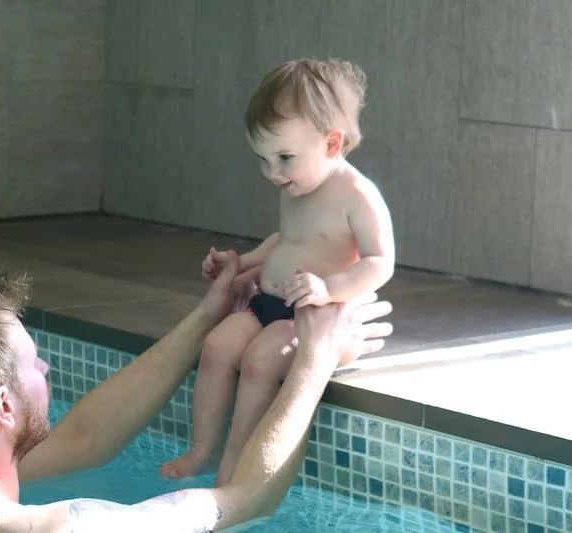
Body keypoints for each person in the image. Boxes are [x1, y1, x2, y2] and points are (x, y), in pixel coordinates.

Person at [0, 250, 393, 533]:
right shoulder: (64, 529)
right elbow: (244, 501)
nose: (46, 364)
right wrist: (314, 358)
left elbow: (85, 437)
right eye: (31, 362)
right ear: (3, 404)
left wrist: (210, 314)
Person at [161, 57, 396, 485]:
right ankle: (203, 449)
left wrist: (329, 288)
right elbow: (286, 241)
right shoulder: (299, 184)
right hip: (269, 302)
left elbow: (381, 261)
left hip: (309, 318)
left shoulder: (356, 194)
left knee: (257, 362)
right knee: (216, 346)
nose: (272, 173)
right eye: (264, 159)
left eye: (284, 157)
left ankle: (236, 464)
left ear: (331, 143)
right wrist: (242, 263)